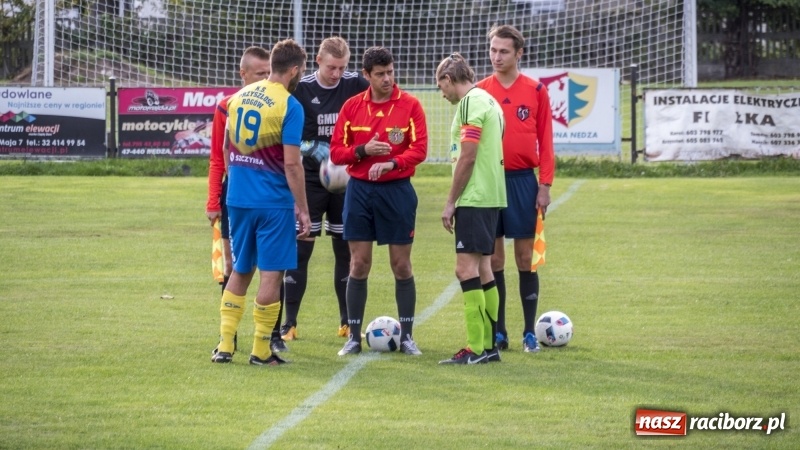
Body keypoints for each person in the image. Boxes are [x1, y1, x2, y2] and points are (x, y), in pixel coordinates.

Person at [211, 39, 311, 366]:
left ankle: (225, 345)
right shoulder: (289, 105)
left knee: (240, 269)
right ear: (295, 69)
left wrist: (239, 180)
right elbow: (293, 164)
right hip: (273, 202)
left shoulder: (236, 99)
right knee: (271, 274)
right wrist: (303, 208)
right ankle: (260, 349)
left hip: (237, 197)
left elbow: (226, 149)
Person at [329, 46, 428, 356]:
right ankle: (354, 337)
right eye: (381, 74)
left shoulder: (410, 105)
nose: (388, 79)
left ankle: (408, 336)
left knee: (401, 264)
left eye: (390, 72)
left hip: (397, 191)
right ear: (367, 76)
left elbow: (420, 149)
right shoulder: (351, 107)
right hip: (359, 191)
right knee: (359, 263)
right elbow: (336, 152)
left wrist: (392, 163)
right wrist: (362, 151)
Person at [278, 37, 370, 342]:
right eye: (331, 67)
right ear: (318, 60)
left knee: (345, 249)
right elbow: (292, 137)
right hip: (310, 181)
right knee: (301, 247)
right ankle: (289, 323)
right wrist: (315, 148)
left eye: (342, 68)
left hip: (346, 181)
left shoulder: (355, 83)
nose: (336, 73)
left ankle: (347, 321)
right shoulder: (301, 88)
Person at [476, 25, 555, 353]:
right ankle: (499, 331)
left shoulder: (536, 91)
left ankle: (528, 332)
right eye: (493, 50)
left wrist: (545, 185)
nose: (497, 57)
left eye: (503, 51)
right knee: (494, 258)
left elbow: (546, 141)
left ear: (518, 53)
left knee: (525, 258)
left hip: (523, 182)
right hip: (490, 181)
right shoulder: (480, 91)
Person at [435, 53, 507, 365]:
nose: (442, 93)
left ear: (450, 80)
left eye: (441, 86)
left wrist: (451, 201)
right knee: (484, 268)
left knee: (464, 269)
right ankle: (490, 345)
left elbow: (468, 155)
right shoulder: (490, 100)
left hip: (474, 197)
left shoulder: (469, 104)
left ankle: (476, 348)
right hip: (491, 195)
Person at [206, 46, 272, 354]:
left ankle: (271, 337)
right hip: (235, 197)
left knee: (272, 268)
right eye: (260, 73)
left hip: (269, 197)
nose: (266, 78)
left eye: (269, 72)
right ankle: (227, 339)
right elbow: (218, 159)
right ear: (242, 74)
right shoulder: (226, 107)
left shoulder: (278, 105)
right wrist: (212, 201)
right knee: (232, 266)